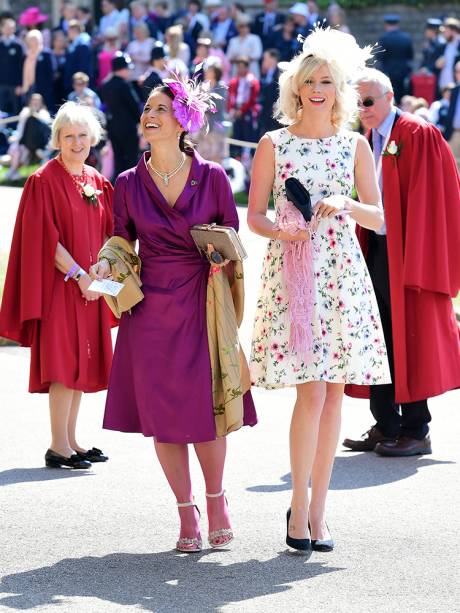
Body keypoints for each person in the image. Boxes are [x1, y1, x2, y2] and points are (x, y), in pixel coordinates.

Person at [90, 78, 257, 553]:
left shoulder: (215, 176)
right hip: (148, 313)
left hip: (201, 303)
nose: (149, 114)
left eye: (160, 108)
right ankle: (186, 512)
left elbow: (230, 229)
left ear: (183, 120)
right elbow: (121, 239)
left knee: (205, 409)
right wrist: (104, 264)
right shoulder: (125, 182)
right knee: (164, 417)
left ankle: (217, 498)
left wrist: (221, 252)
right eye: (146, 108)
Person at [248, 27, 390, 553]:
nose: (317, 88)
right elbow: (254, 215)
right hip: (294, 273)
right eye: (309, 80)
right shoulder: (273, 143)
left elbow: (379, 218)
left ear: (339, 89)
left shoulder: (354, 144)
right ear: (295, 87)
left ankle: (321, 511)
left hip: (342, 277)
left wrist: (346, 204)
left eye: (326, 80)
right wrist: (282, 228)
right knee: (310, 392)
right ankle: (299, 508)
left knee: (334, 395)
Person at [343, 68, 460, 456]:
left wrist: (420, 257)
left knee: (408, 335)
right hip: (375, 248)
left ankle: (415, 427)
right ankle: (386, 422)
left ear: (390, 97)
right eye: (358, 102)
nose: (364, 108)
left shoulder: (416, 133)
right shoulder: (366, 139)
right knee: (375, 335)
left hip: (406, 251)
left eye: (370, 100)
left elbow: (433, 200)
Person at [0, 102, 114, 469]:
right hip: (61, 287)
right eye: (69, 137)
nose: (77, 142)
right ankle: (57, 445)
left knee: (83, 362)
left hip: (91, 287)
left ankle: (73, 440)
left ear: (93, 138)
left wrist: (101, 271)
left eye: (83, 135)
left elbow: (106, 233)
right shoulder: (44, 180)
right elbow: (44, 239)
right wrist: (80, 275)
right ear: (57, 140)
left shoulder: (95, 180)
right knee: (64, 364)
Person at [100, 52, 141, 180]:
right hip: (128, 129)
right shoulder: (124, 85)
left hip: (113, 128)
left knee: (119, 161)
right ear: (122, 68)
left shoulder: (106, 85)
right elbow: (134, 106)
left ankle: (119, 188)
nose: (129, 71)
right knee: (132, 160)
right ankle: (132, 188)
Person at [3, 93, 51, 181]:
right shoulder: (25, 112)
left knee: (21, 150)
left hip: (37, 145)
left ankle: (13, 172)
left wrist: (34, 115)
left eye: (37, 101)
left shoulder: (44, 114)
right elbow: (20, 129)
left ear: (41, 102)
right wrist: (15, 138)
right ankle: (13, 171)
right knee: (17, 149)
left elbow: (45, 130)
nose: (35, 102)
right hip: (24, 143)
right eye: (34, 100)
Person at [227, 55, 260, 159]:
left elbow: (252, 99)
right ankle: (236, 156)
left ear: (247, 68)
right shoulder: (233, 81)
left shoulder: (252, 82)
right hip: (236, 111)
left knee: (247, 136)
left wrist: (242, 110)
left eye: (242, 67)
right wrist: (232, 109)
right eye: (238, 67)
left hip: (247, 111)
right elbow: (230, 97)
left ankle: (247, 158)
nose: (240, 69)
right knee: (236, 135)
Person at [377, 14, 413, 103]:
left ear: (386, 25)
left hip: (388, 73)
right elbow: (410, 56)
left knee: (390, 97)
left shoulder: (384, 39)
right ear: (397, 25)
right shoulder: (406, 38)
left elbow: (379, 57)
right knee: (403, 96)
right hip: (403, 72)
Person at [0, 17, 25, 116]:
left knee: (15, 110)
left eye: (11, 27)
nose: (9, 29)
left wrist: (20, 84)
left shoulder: (18, 45)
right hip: (1, 84)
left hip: (15, 85)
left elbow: (21, 66)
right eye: (6, 27)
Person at [226, 15, 263, 79]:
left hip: (252, 71)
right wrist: (240, 60)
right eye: (242, 26)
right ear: (238, 28)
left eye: (247, 26)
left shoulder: (255, 38)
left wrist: (241, 59)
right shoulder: (233, 41)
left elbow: (257, 54)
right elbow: (228, 57)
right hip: (236, 72)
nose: (245, 28)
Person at [258, 48, 282, 136]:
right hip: (265, 113)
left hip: (274, 114)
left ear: (273, 59)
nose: (263, 61)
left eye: (265, 59)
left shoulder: (280, 74)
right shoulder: (266, 74)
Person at [436, 18, 460, 90]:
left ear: (453, 31)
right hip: (443, 86)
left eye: (446, 31)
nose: (443, 34)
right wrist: (437, 64)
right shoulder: (442, 46)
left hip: (456, 85)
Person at [444, 79, 460, 165]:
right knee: (453, 164)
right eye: (457, 71)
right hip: (454, 133)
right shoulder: (455, 90)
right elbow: (451, 112)